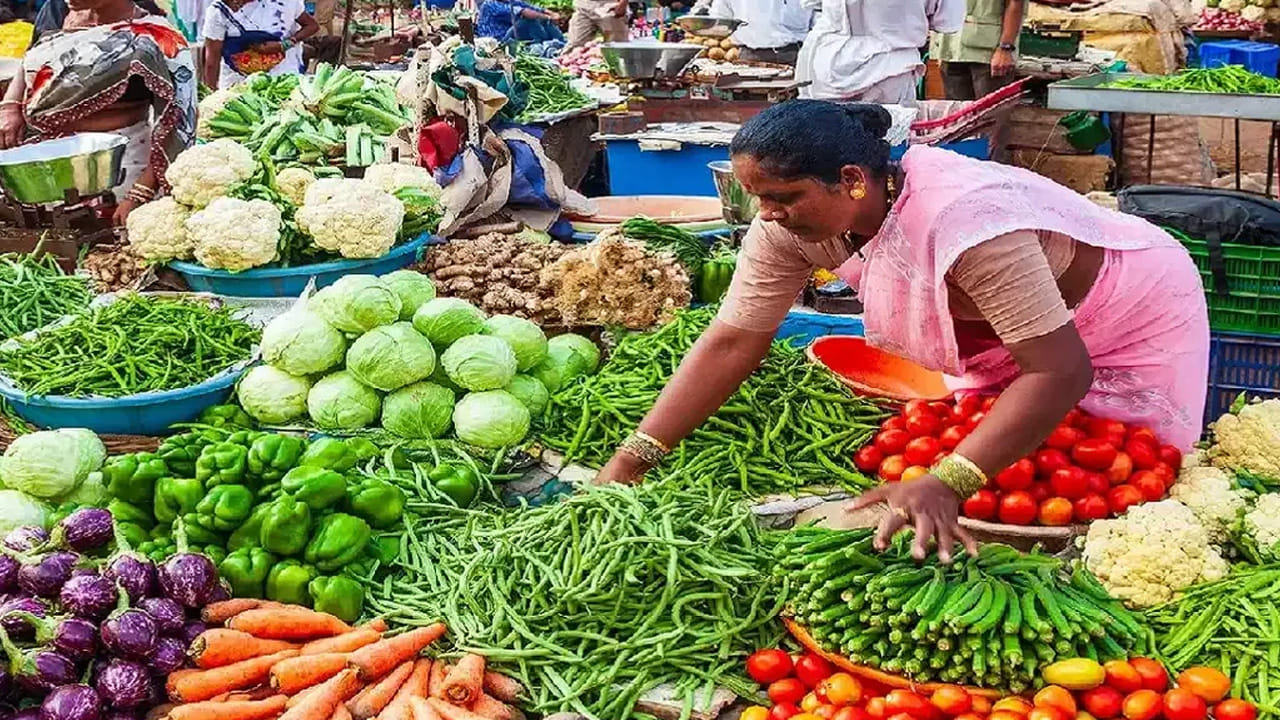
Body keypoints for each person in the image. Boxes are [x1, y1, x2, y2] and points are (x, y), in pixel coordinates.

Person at [592, 100, 1209, 560]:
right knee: (1018, 456)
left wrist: (949, 479)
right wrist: (631, 460)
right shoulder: (786, 227)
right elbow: (733, 340)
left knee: (1123, 476)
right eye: (756, 197)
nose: (766, 214)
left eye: (782, 196)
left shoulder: (966, 221)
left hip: (1125, 309)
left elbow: (1059, 370)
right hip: (1006, 332)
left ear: (854, 180)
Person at [0, 0, 195, 224]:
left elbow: (180, 123)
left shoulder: (158, 36)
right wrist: (10, 105)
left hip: (113, 168)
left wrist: (140, 192)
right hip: (42, 165)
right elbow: (30, 56)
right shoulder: (57, 9)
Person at [796, 0, 963, 105]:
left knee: (821, 150)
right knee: (887, 149)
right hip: (890, 70)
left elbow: (810, 4)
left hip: (827, 62)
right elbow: (946, 22)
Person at [201, 0, 317, 89]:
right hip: (237, 86)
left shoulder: (285, 3)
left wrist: (284, 44)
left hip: (282, 83)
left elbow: (312, 26)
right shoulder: (219, 11)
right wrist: (210, 96)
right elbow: (211, 61)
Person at [932, 0, 1023, 101]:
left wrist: (1005, 48)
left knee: (989, 113)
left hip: (988, 54)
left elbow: (1015, 3)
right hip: (950, 48)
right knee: (958, 113)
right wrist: (941, 47)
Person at [693, 0, 812, 66]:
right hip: (749, 56)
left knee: (796, 107)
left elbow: (820, 17)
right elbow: (721, 18)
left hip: (795, 55)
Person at [476, 0, 562, 41]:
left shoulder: (510, 1)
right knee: (528, 21)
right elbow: (524, 12)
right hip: (497, 41)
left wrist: (551, 13)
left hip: (509, 36)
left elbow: (531, 7)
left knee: (545, 21)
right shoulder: (490, 4)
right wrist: (549, 17)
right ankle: (545, 41)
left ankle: (559, 41)